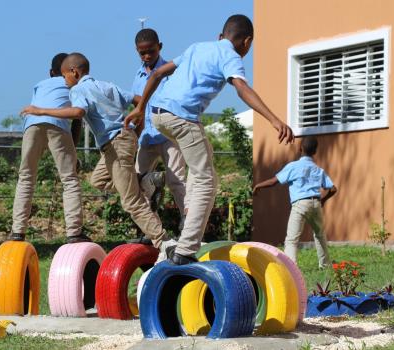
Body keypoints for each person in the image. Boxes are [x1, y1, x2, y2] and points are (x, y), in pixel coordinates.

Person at [125, 14, 294, 265]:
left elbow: (158, 73)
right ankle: (185, 248)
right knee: (207, 180)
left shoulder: (198, 47)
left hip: (158, 115)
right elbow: (242, 88)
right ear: (247, 42)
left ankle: (170, 195)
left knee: (201, 161)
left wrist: (140, 108)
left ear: (220, 36)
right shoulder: (232, 57)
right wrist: (273, 119)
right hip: (181, 118)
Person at [21, 53, 174, 259]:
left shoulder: (78, 89)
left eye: (65, 77)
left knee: (131, 201)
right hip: (120, 141)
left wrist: (40, 111)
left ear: (74, 72)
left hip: (115, 144)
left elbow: (77, 113)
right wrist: (138, 124)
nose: (65, 83)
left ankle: (164, 242)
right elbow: (138, 100)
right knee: (98, 179)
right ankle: (145, 181)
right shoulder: (107, 85)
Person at [11, 53, 89, 243]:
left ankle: (17, 231)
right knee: (69, 179)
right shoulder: (72, 84)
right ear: (67, 71)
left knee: (26, 177)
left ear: (50, 72)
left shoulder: (40, 84)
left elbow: (39, 110)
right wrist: (73, 154)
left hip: (31, 125)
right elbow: (76, 120)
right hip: (58, 124)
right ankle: (73, 232)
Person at [132, 28, 187, 236]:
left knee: (176, 180)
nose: (146, 56)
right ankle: (149, 229)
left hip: (169, 135)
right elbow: (138, 106)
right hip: (146, 137)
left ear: (160, 47)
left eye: (151, 52)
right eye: (142, 53)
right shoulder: (138, 76)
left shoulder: (170, 71)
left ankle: (188, 223)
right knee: (138, 182)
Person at [253, 136, 337, 268]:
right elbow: (332, 189)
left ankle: (290, 268)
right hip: (315, 203)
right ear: (315, 152)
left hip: (300, 204)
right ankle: (325, 265)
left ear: (300, 148)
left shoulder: (293, 167)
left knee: (292, 239)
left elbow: (274, 181)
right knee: (320, 235)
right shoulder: (318, 170)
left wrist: (259, 185)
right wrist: (323, 200)